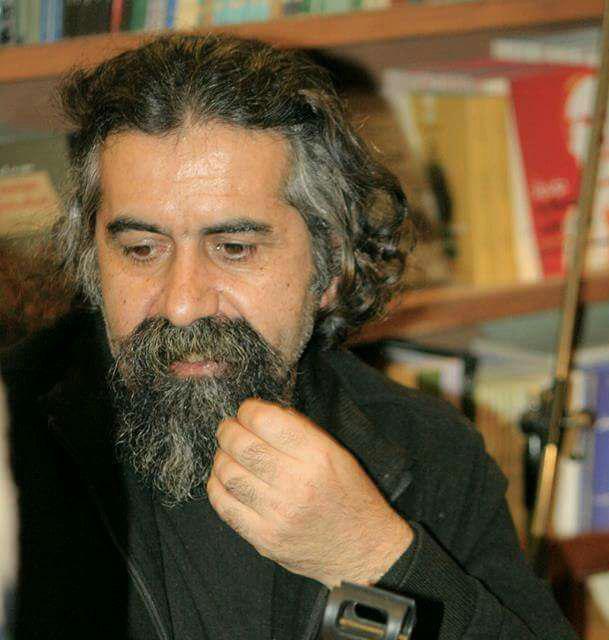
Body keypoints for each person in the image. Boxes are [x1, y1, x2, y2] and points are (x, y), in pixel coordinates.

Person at [2, 34, 578, 639]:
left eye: (234, 249)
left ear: (329, 266)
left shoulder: (429, 452)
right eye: (142, 250)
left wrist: (375, 557)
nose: (182, 304)